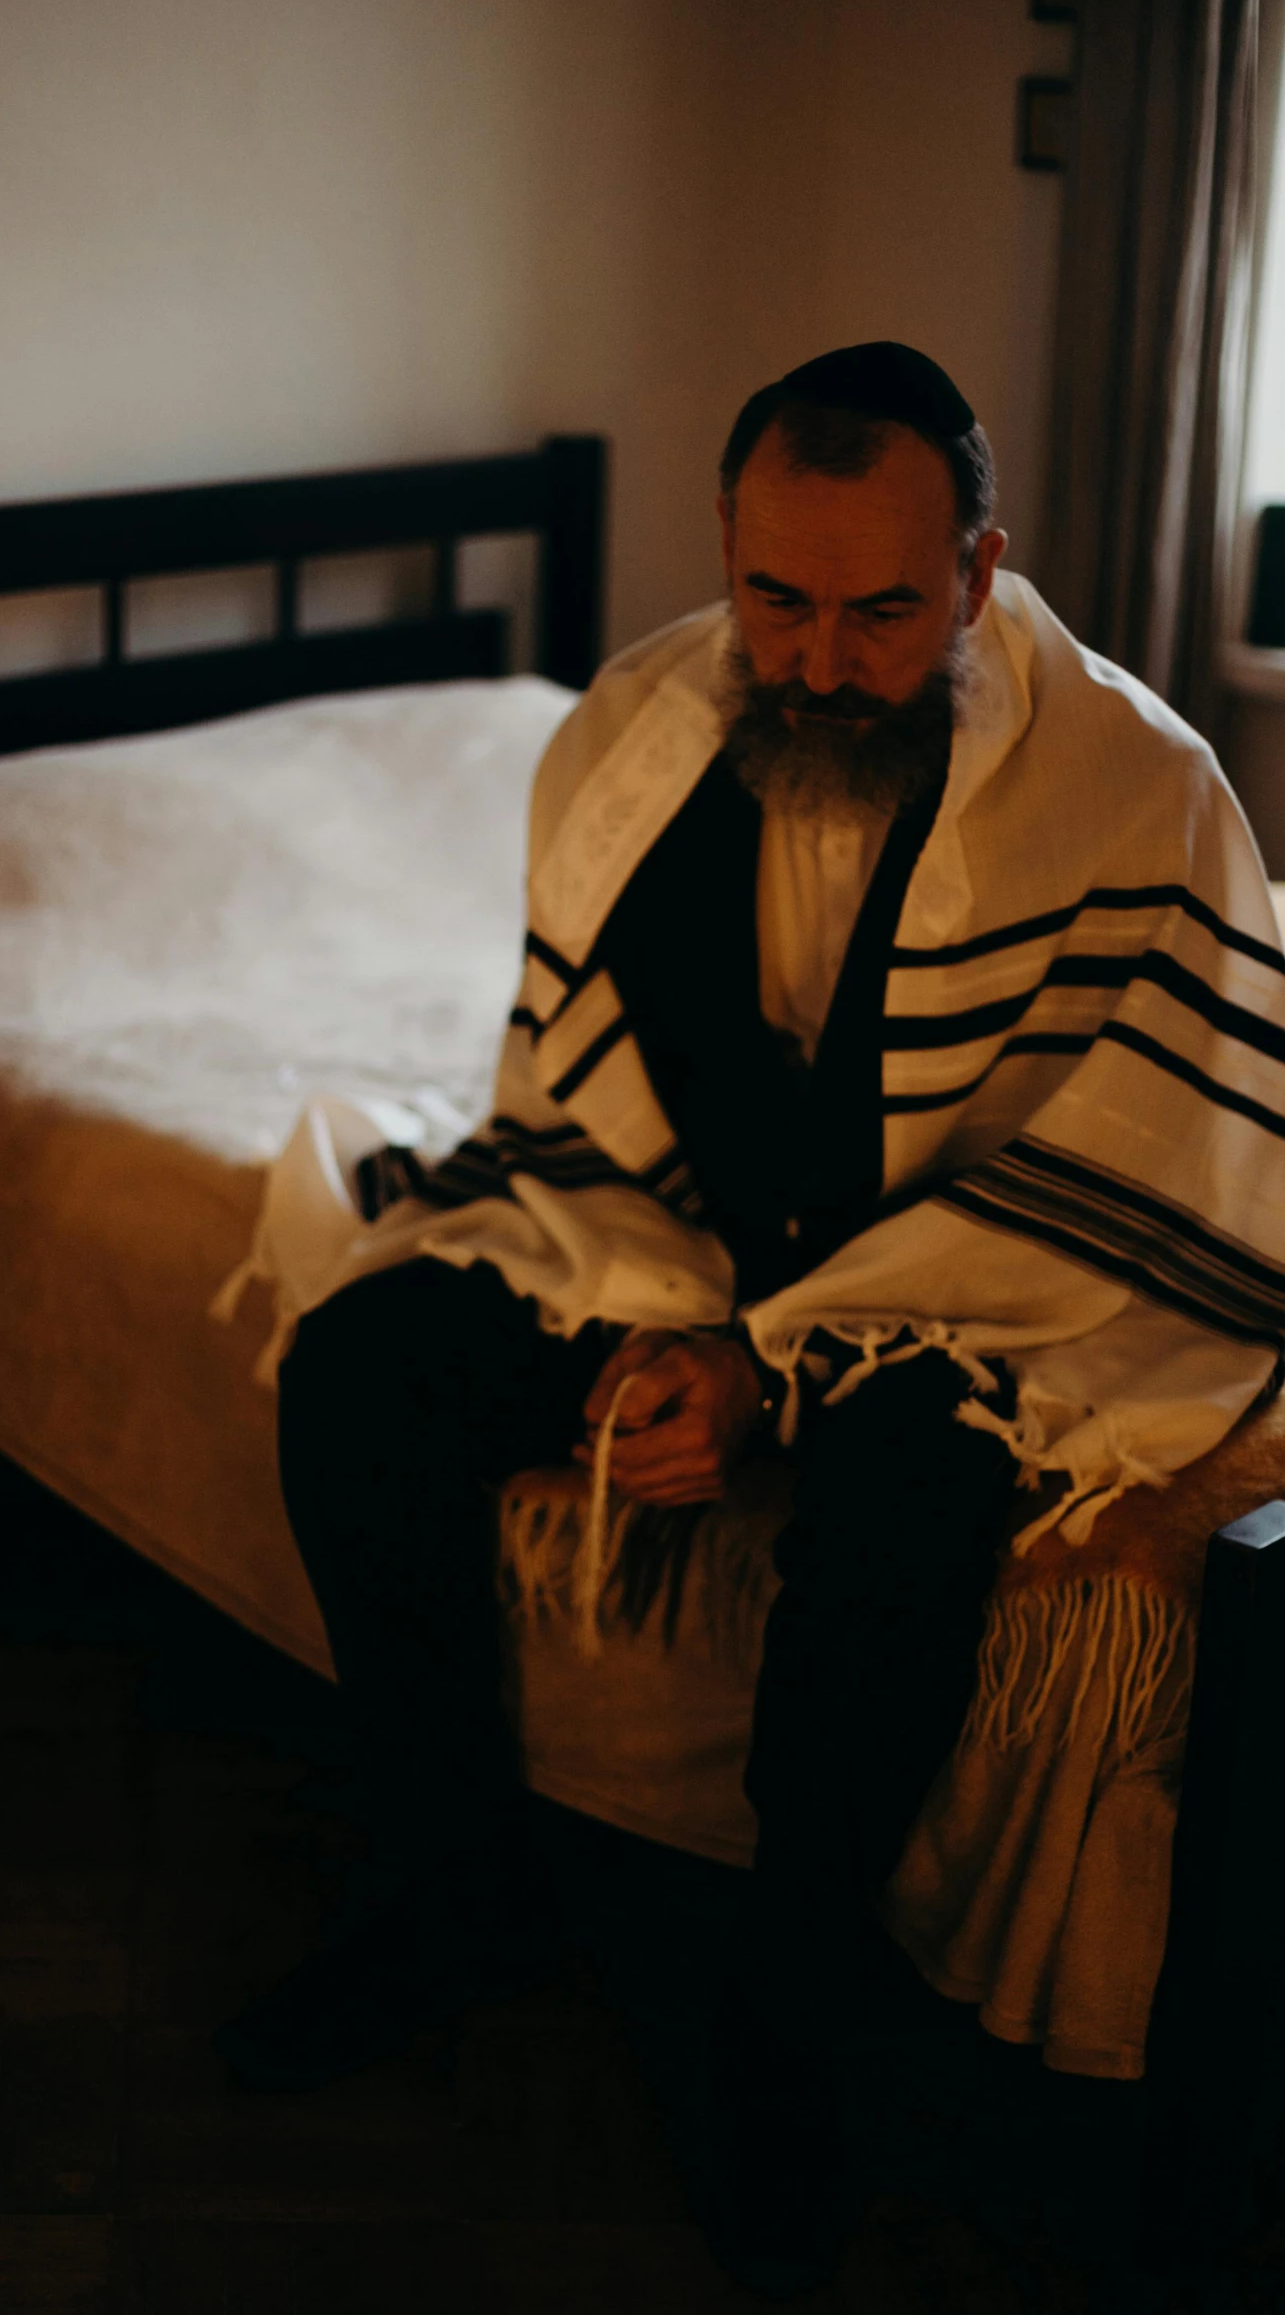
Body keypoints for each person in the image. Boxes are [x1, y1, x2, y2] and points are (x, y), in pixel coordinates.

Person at [215, 343, 1285, 2295]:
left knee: (901, 1510)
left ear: (977, 570)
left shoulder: (1139, 786)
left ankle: (788, 2019)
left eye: (881, 608)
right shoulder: (626, 732)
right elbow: (574, 1104)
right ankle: (454, 1885)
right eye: (774, 598)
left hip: (975, 1280)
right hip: (699, 1240)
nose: (814, 660)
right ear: (725, 545)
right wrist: (657, 1315)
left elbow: (1143, 1184)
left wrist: (766, 1375)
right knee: (366, 1363)